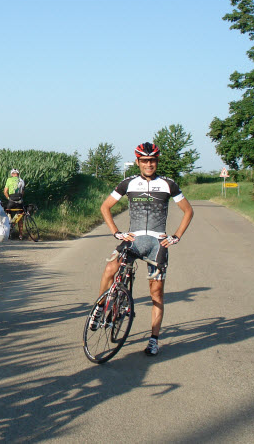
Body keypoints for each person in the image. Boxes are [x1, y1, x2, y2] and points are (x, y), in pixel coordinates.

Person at [97, 142, 194, 356]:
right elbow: (105, 207)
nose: (149, 164)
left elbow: (188, 211)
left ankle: (153, 339)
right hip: (133, 239)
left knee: (156, 293)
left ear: (157, 162)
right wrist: (116, 232)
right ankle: (101, 308)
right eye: (144, 161)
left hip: (157, 244)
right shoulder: (128, 183)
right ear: (138, 162)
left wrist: (176, 236)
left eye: (152, 161)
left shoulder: (169, 184)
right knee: (110, 269)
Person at [3, 168, 26, 239]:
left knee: (8, 213)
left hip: (11, 201)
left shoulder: (9, 180)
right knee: (20, 216)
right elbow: (23, 192)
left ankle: (8, 229)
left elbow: (5, 192)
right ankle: (20, 235)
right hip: (19, 201)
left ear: (12, 174)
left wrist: (8, 198)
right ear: (18, 174)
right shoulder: (22, 180)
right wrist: (20, 198)